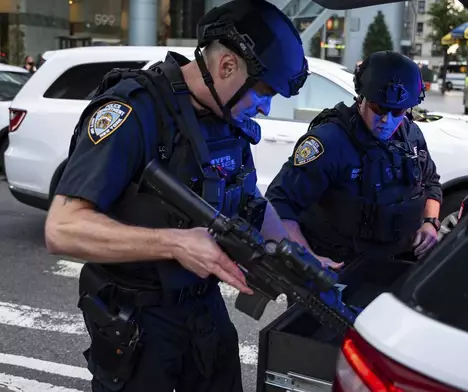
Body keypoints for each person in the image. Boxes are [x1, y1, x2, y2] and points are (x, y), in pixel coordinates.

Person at [43, 0, 308, 391]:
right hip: (139, 324)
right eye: (264, 94)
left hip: (203, 314)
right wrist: (174, 243)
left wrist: (295, 257)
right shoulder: (134, 111)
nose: (265, 109)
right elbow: (62, 228)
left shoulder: (226, 117)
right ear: (227, 67)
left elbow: (250, 199)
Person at [265, 51, 443, 269]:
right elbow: (279, 203)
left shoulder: (411, 135)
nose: (386, 121)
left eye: (397, 112)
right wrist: (308, 260)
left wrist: (430, 223)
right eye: (378, 108)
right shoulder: (329, 142)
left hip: (393, 268)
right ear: (361, 97)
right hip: (339, 269)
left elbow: (431, 182)